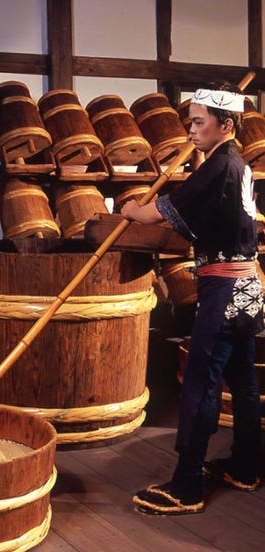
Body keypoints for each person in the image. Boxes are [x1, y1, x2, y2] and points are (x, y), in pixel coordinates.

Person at [121, 81, 263, 515]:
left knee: (201, 384)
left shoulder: (218, 165)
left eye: (199, 122)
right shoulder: (236, 164)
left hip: (224, 289)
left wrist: (130, 210)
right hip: (249, 288)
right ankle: (245, 465)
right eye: (190, 122)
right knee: (242, 378)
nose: (190, 131)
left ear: (226, 124)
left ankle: (186, 485)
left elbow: (163, 210)